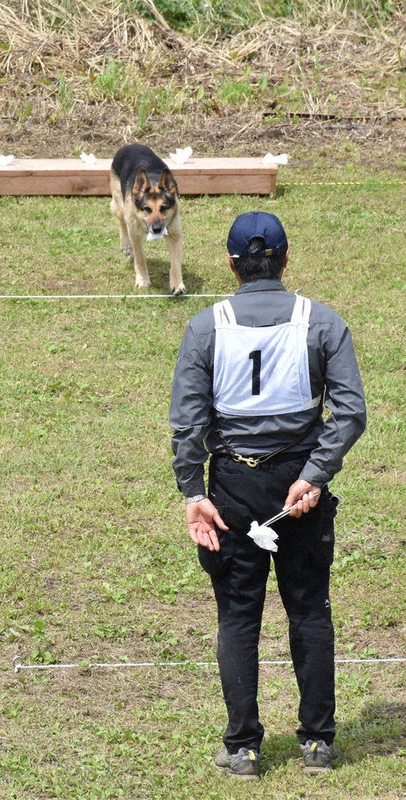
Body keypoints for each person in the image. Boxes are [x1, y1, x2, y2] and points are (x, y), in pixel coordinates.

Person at [169, 211, 366, 779]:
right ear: (286, 258)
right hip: (300, 490)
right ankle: (318, 742)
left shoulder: (206, 327)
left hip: (233, 486)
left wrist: (191, 492)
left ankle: (242, 748)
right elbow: (350, 413)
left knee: (237, 615)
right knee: (308, 608)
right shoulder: (322, 322)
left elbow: (188, 424)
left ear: (231, 264)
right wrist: (315, 474)